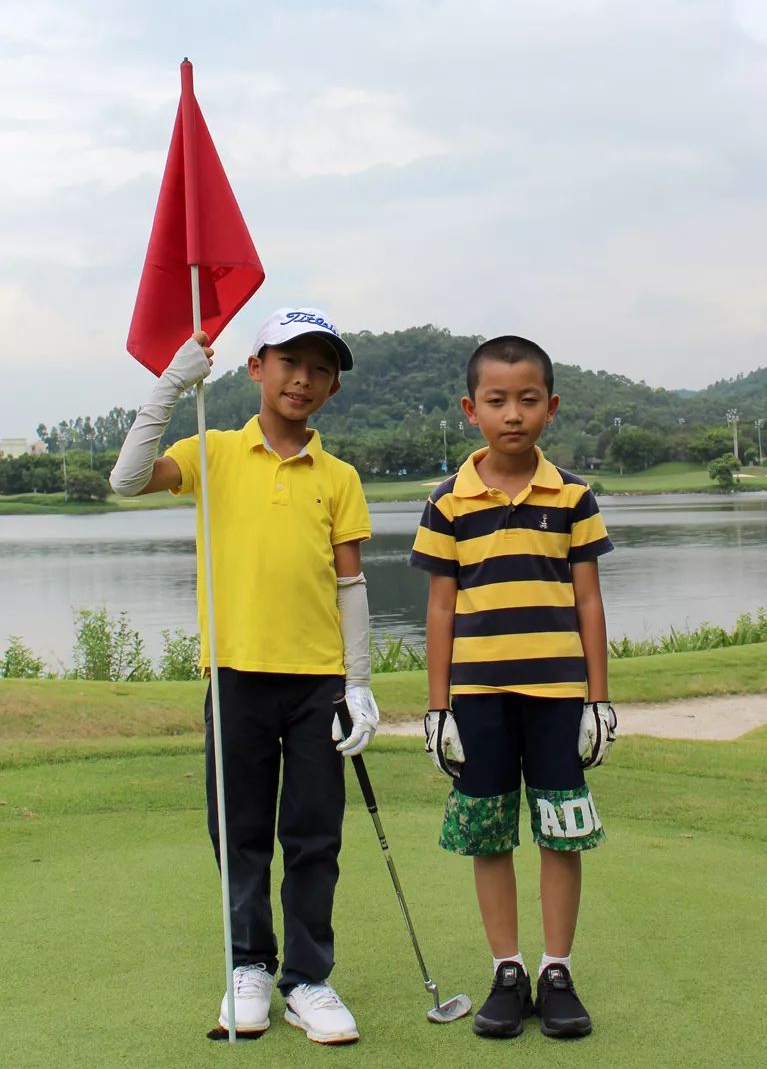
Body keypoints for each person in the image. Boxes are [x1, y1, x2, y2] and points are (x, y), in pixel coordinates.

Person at [110, 308, 379, 1045]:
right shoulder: (215, 451)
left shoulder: (340, 477)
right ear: (255, 367)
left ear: (331, 387)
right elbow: (127, 478)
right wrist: (169, 384)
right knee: (241, 833)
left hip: (319, 682)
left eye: (320, 368)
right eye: (289, 361)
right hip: (235, 678)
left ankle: (309, 980)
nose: (304, 379)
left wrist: (358, 683)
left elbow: (350, 586)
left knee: (315, 835)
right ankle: (249, 967)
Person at [410, 335, 617, 1042]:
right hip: (479, 698)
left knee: (561, 833)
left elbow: (587, 601)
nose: (513, 414)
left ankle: (556, 970)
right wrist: (438, 711)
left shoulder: (574, 497)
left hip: (559, 695)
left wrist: (600, 698)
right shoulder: (448, 503)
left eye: (528, 400)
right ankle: (508, 969)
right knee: (489, 834)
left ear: (550, 407)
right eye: (497, 401)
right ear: (472, 409)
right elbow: (441, 608)